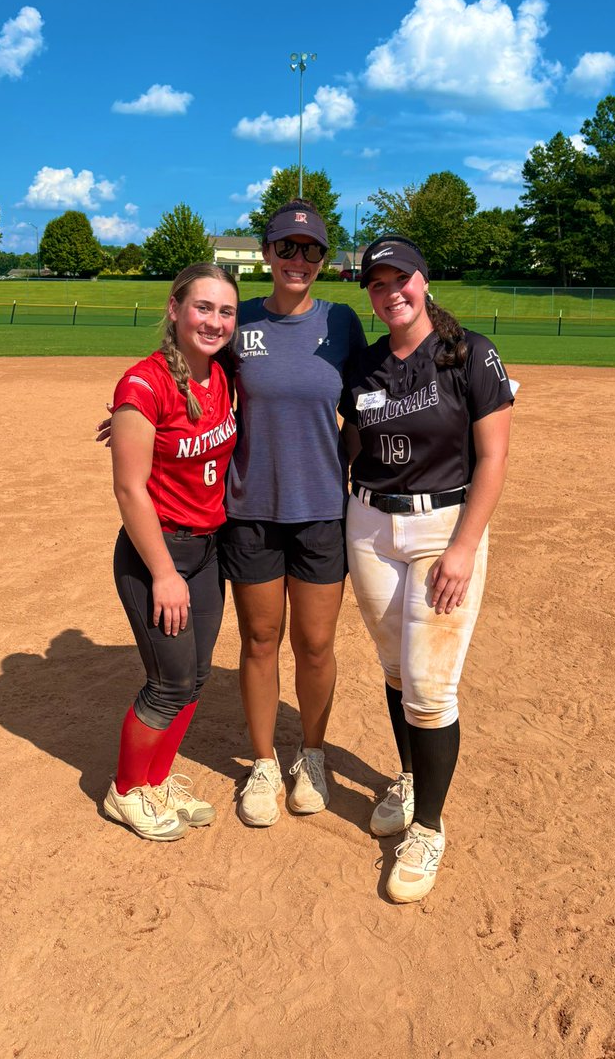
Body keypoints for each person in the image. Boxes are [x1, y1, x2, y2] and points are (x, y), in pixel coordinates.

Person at [341, 235, 514, 901]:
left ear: (424, 278)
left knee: (430, 688)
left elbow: (493, 458)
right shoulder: (364, 368)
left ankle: (430, 828)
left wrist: (465, 547)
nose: (390, 294)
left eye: (399, 279)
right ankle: (409, 780)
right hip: (370, 524)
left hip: (445, 526)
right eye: (377, 285)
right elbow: (346, 443)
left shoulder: (469, 352)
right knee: (394, 668)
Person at [218, 199, 367, 827]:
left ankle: (311, 755)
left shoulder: (342, 323)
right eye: (287, 247)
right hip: (252, 508)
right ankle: (260, 763)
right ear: (267, 252)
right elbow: (194, 382)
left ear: (324, 259)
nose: (298, 259)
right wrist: (138, 416)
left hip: (321, 511)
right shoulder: (240, 321)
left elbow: (369, 407)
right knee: (259, 641)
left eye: (311, 250)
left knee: (315, 644)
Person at [103, 264, 239, 842]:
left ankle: (156, 781)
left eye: (226, 311)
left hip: (207, 550)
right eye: (203, 307)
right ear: (175, 309)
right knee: (169, 683)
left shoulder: (225, 375)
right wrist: (163, 573)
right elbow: (129, 489)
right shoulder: (143, 383)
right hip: (158, 552)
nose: (214, 321)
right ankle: (127, 791)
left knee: (197, 676)